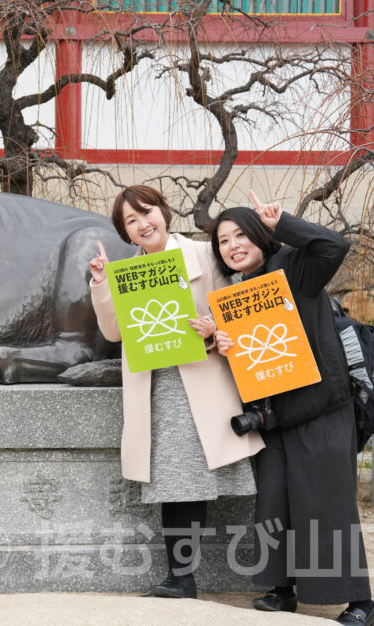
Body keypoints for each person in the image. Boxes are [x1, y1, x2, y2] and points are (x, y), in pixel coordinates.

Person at [88, 185, 263, 599]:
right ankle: (180, 578)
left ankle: (182, 578)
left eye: (146, 212)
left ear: (164, 213)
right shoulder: (127, 272)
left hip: (201, 381)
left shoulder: (205, 254)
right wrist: (101, 284)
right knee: (173, 481)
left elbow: (238, 314)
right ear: (126, 233)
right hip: (157, 385)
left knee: (190, 479)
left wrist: (213, 329)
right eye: (131, 221)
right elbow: (114, 332)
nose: (142, 223)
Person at [210, 191, 374, 626]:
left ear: (262, 236)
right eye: (223, 241)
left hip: (321, 408)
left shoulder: (293, 266)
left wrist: (282, 222)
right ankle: (282, 590)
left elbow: (334, 247)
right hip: (276, 417)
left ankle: (360, 601)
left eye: (242, 234)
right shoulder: (236, 294)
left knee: (329, 504)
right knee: (275, 504)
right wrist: (222, 344)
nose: (233, 245)